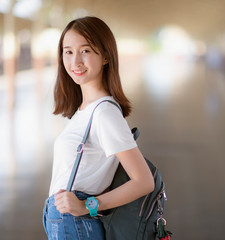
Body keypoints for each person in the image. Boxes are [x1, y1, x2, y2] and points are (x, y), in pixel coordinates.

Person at [42, 16, 155, 240]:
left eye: (85, 51)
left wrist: (88, 205)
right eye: (68, 52)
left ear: (105, 56)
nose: (75, 62)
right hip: (64, 222)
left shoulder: (104, 113)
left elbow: (144, 181)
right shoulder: (84, 109)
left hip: (75, 224)